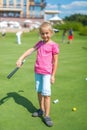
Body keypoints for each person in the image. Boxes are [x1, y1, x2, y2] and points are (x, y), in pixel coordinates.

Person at [16, 22, 59, 127]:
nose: (45, 36)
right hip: (37, 72)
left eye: (47, 33)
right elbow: (31, 50)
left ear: (51, 33)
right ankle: (41, 110)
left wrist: (53, 75)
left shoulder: (54, 45)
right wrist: (20, 58)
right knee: (39, 92)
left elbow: (55, 61)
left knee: (47, 94)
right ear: (40, 34)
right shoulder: (40, 43)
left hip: (47, 74)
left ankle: (47, 115)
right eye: (42, 34)